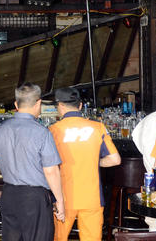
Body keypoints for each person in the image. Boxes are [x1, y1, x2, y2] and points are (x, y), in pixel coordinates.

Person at [0, 82, 64, 241]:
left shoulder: (0, 130)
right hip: (34, 198)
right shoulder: (42, 133)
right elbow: (51, 171)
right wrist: (59, 200)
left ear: (16, 104)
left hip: (9, 195)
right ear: (39, 103)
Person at [49, 87, 121, 241]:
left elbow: (47, 165)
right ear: (80, 105)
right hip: (92, 197)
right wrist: (94, 161)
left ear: (60, 106)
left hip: (64, 197)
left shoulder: (54, 130)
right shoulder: (97, 127)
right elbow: (115, 159)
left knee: (59, 238)